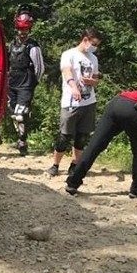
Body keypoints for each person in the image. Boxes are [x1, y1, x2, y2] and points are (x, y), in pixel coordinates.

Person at [47, 28, 103, 178]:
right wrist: (74, 87)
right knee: (64, 136)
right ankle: (55, 165)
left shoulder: (93, 58)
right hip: (71, 102)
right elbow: (67, 71)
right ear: (85, 40)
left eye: (97, 45)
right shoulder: (69, 54)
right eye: (93, 44)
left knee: (82, 136)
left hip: (89, 101)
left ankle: (74, 165)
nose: (94, 47)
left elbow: (96, 78)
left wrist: (93, 81)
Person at [6, 6, 44, 155]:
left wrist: (33, 83)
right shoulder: (12, 44)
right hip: (12, 82)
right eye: (21, 29)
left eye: (25, 30)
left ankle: (23, 141)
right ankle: (19, 138)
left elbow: (39, 67)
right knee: (14, 114)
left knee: (21, 114)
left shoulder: (33, 46)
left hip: (26, 83)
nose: (23, 33)